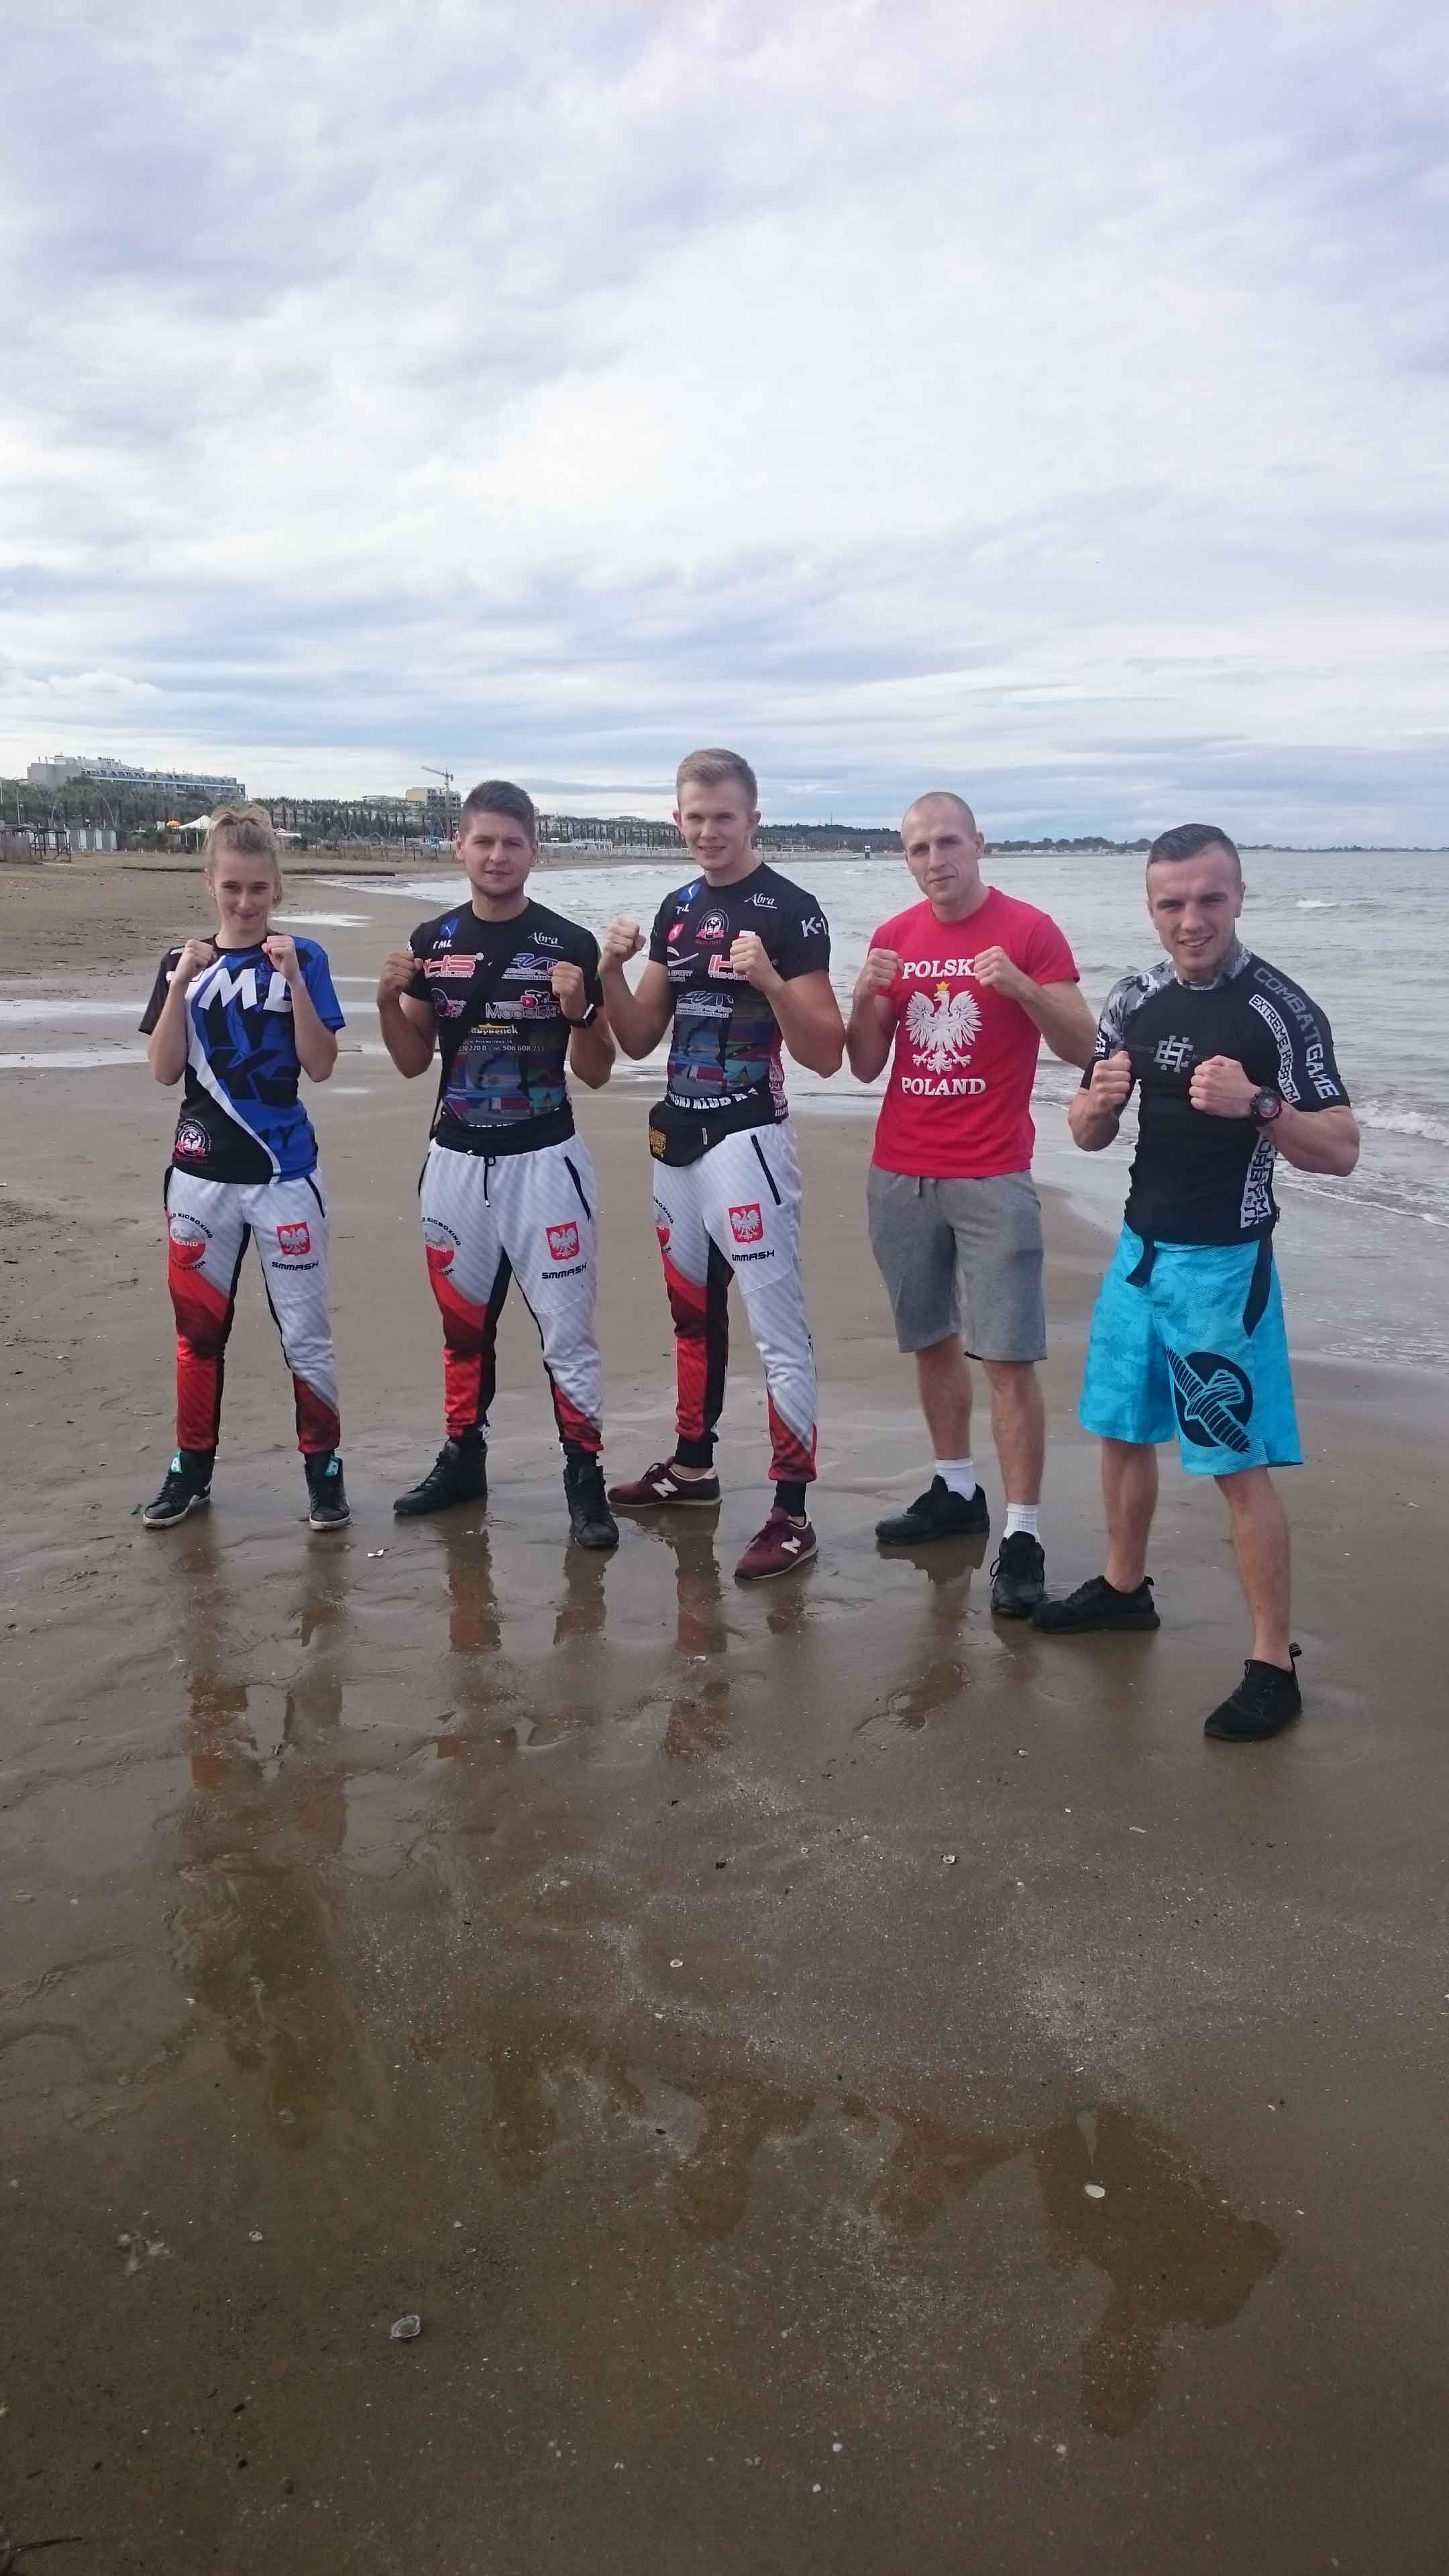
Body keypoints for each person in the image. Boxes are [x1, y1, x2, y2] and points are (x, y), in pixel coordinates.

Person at [1031, 822, 1360, 1739]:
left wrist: (1261, 1105)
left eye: (1210, 899)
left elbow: (1341, 1148)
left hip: (1224, 1266)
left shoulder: (1280, 1010)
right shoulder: (1134, 997)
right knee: (1121, 1431)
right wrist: (1095, 1106)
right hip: (1139, 1254)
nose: (1192, 920)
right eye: (1172, 903)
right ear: (1150, 907)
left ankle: (1272, 1662)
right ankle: (1123, 1588)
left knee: (1234, 1467)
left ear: (1240, 896)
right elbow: (1088, 1131)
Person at [598, 748, 845, 1582]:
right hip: (679, 1141)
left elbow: (826, 1052)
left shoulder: (793, 910)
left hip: (749, 1140)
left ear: (753, 819)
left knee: (778, 1331)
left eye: (724, 817)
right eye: (695, 818)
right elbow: (639, 1037)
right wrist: (608, 970)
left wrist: (770, 979)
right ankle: (693, 1467)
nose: (709, 832)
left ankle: (792, 1510)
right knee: (691, 1318)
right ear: (678, 820)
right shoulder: (677, 910)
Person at [845, 792, 1095, 1613]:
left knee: (1009, 1358)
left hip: (992, 1173)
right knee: (931, 1339)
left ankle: (1022, 1533)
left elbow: (1085, 1047)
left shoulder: (1029, 930)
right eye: (919, 849)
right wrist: (863, 996)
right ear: (905, 858)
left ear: (979, 844)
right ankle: (956, 1490)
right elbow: (864, 1064)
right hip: (901, 1170)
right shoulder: (894, 936)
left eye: (948, 843)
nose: (935, 861)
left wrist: (1022, 987)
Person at [377, 778, 619, 1550]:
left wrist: (581, 1010)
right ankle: (463, 1458)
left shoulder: (569, 943)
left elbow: (598, 1070)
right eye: (483, 841)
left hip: (545, 1160)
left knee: (567, 1332)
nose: (497, 855)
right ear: (460, 847)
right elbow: (412, 1061)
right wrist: (385, 1004)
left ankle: (584, 1477)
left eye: (512, 842)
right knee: (462, 1329)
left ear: (534, 852)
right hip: (455, 1159)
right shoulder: (432, 941)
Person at [138, 804, 349, 1530]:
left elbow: (321, 1065)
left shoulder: (305, 957)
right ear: (210, 884)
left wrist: (294, 984)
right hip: (200, 1178)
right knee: (198, 1336)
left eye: (259, 888)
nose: (246, 902)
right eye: (232, 887)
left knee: (305, 1334)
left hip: (286, 1177)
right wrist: (179, 985)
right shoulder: (181, 963)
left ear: (277, 888)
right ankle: (190, 1470)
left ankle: (324, 1470)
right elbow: (164, 1069)